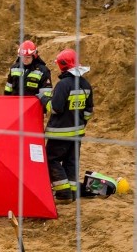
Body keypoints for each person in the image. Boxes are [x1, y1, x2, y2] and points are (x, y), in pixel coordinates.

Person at [38, 48, 94, 203]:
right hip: (77, 133)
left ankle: (63, 195)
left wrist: (44, 100)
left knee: (51, 159)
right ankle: (73, 192)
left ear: (62, 65)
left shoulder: (63, 85)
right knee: (71, 162)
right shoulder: (85, 84)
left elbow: (55, 108)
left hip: (60, 133)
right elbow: (89, 111)